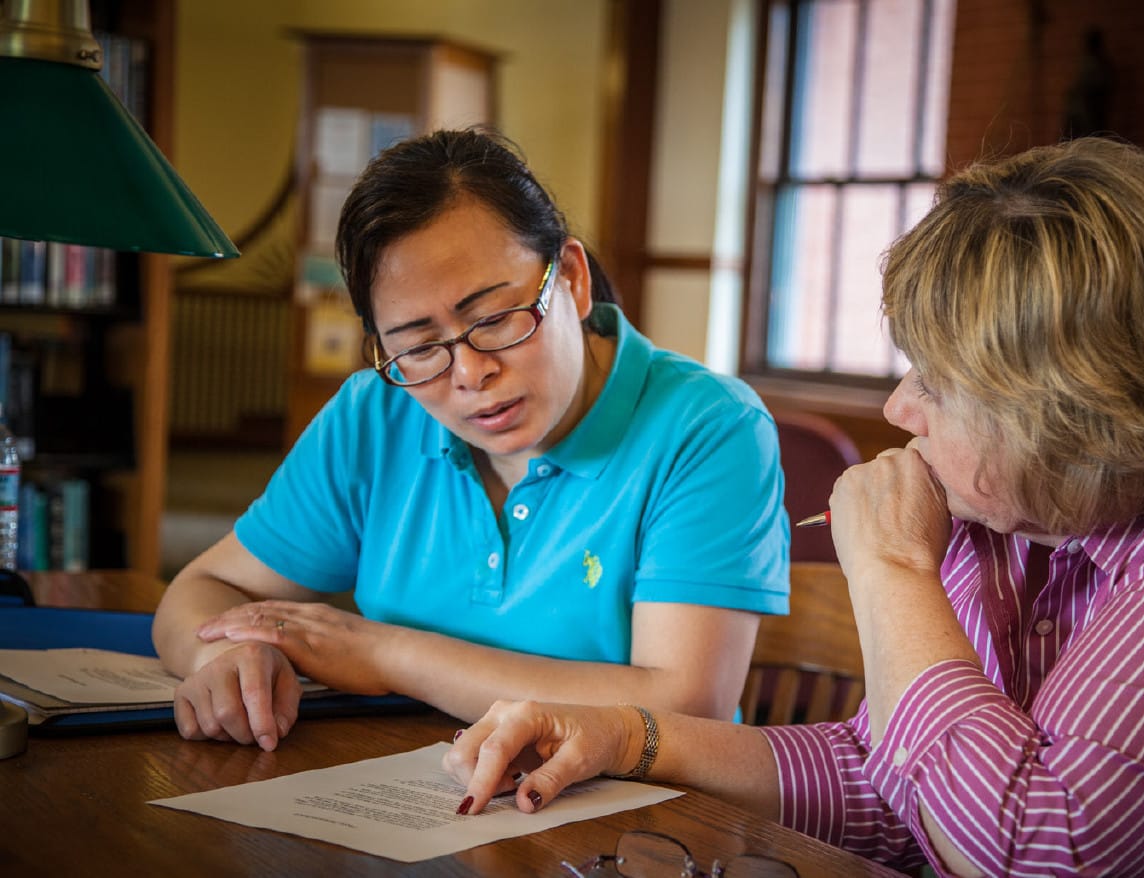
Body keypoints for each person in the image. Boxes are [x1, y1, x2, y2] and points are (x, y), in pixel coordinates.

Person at [443, 137, 1144, 876]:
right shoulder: (1028, 499)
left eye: (937, 385)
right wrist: (626, 738)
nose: (898, 411)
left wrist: (893, 570)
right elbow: (902, 778)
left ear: (1076, 416)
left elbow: (1024, 850)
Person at [151, 128, 789, 752]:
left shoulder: (708, 427)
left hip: (642, 824)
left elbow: (687, 708)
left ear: (570, 276)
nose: (470, 373)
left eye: (494, 319)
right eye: (419, 347)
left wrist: (390, 653)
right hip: (417, 796)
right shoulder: (377, 413)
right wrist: (229, 657)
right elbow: (202, 590)